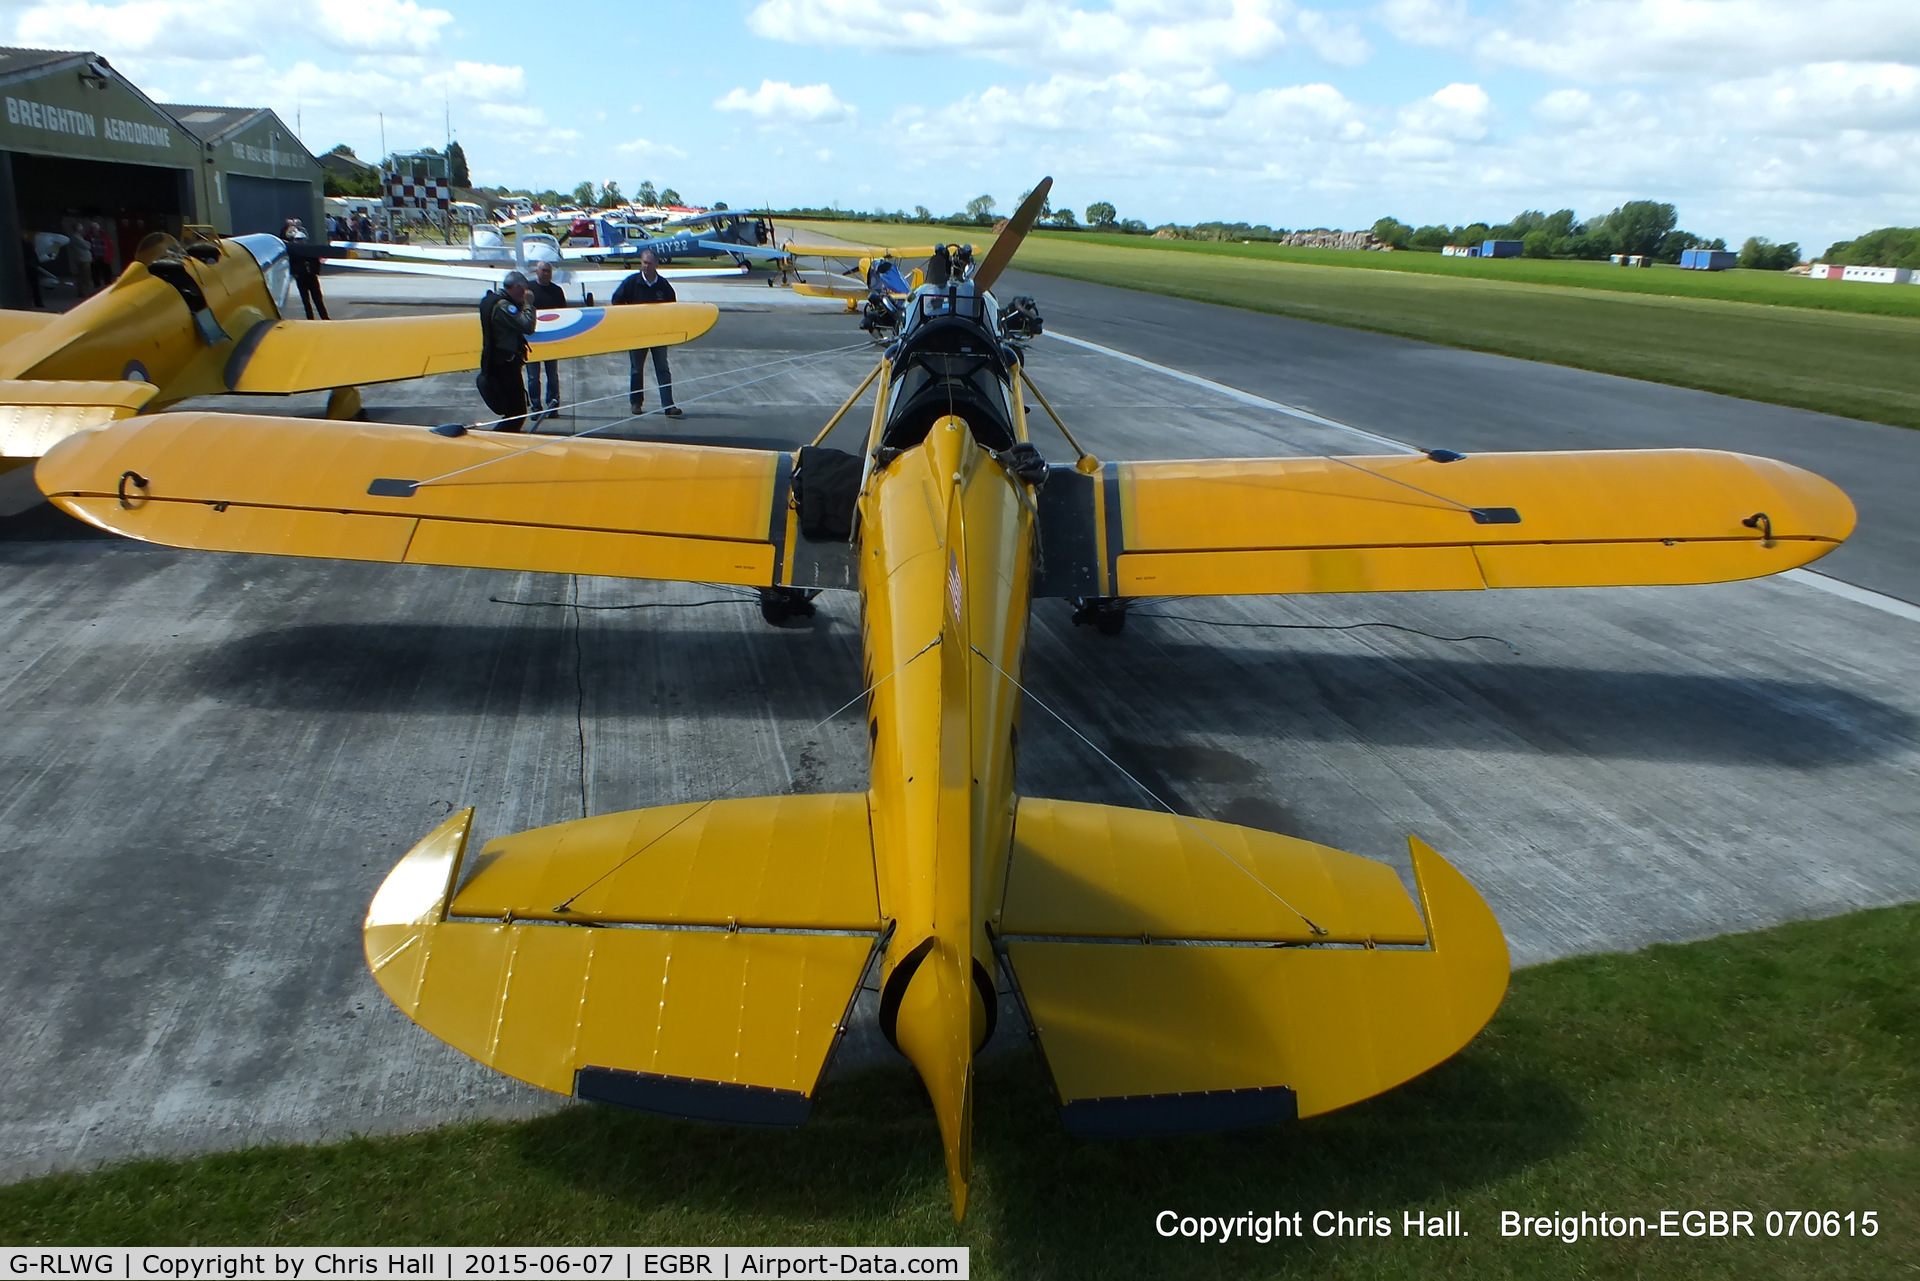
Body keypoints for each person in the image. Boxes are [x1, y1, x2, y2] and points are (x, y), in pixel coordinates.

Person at [610, 249, 680, 417]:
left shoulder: (663, 286)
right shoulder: (632, 282)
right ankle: (636, 403)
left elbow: (672, 309)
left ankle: (668, 405)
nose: (646, 267)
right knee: (636, 369)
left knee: (663, 368)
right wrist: (630, 317)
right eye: (643, 263)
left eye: (649, 263)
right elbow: (616, 300)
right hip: (638, 334)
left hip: (658, 335)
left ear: (656, 264)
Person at [477, 270, 537, 432]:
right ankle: (499, 442)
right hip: (505, 367)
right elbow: (527, 326)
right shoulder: (503, 306)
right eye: (523, 290)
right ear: (516, 287)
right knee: (517, 413)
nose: (524, 294)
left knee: (514, 413)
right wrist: (529, 304)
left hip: (499, 364)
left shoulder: (492, 300)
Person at [523, 259, 565, 421]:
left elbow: (564, 314)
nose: (546, 273)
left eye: (548, 270)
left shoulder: (557, 291)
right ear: (537, 272)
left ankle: (553, 406)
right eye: (543, 270)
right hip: (533, 339)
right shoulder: (529, 290)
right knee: (533, 377)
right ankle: (535, 407)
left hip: (551, 339)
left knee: (552, 375)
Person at [281, 218, 329, 320]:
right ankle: (310, 318)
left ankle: (324, 317)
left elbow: (316, 261)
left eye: (301, 240)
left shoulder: (309, 250)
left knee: (318, 299)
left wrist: (315, 272)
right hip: (301, 278)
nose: (300, 242)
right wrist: (295, 273)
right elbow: (291, 264)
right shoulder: (294, 253)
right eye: (298, 240)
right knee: (306, 301)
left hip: (311, 277)